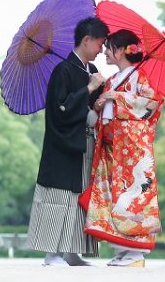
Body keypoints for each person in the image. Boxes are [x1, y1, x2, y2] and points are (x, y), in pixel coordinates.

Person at [27, 17, 108, 266]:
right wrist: (88, 89)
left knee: (80, 196)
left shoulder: (91, 71)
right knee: (58, 196)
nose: (102, 49)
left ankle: (73, 252)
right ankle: (52, 253)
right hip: (63, 145)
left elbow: (91, 106)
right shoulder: (62, 70)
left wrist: (97, 101)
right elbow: (60, 109)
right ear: (86, 40)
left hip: (85, 143)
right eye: (100, 43)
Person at [84, 29, 165, 267]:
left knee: (134, 195)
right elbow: (105, 110)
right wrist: (100, 104)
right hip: (112, 148)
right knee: (114, 196)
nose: (105, 52)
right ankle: (122, 248)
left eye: (109, 48)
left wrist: (117, 97)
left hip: (132, 149)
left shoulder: (140, 76)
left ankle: (136, 252)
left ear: (120, 50)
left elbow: (151, 104)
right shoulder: (112, 80)